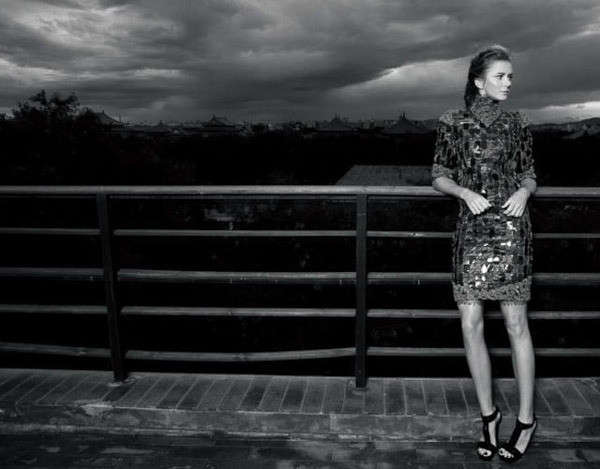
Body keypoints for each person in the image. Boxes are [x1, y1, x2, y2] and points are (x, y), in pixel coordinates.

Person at [431, 45, 538, 463]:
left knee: (516, 325)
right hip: (471, 232)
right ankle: (489, 416)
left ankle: (526, 421)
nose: (508, 83)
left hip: (512, 231)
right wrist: (463, 192)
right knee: (471, 323)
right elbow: (438, 175)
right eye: (500, 76)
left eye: (511, 76)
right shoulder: (451, 122)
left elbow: (529, 173)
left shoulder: (518, 122)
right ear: (479, 81)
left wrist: (524, 191)